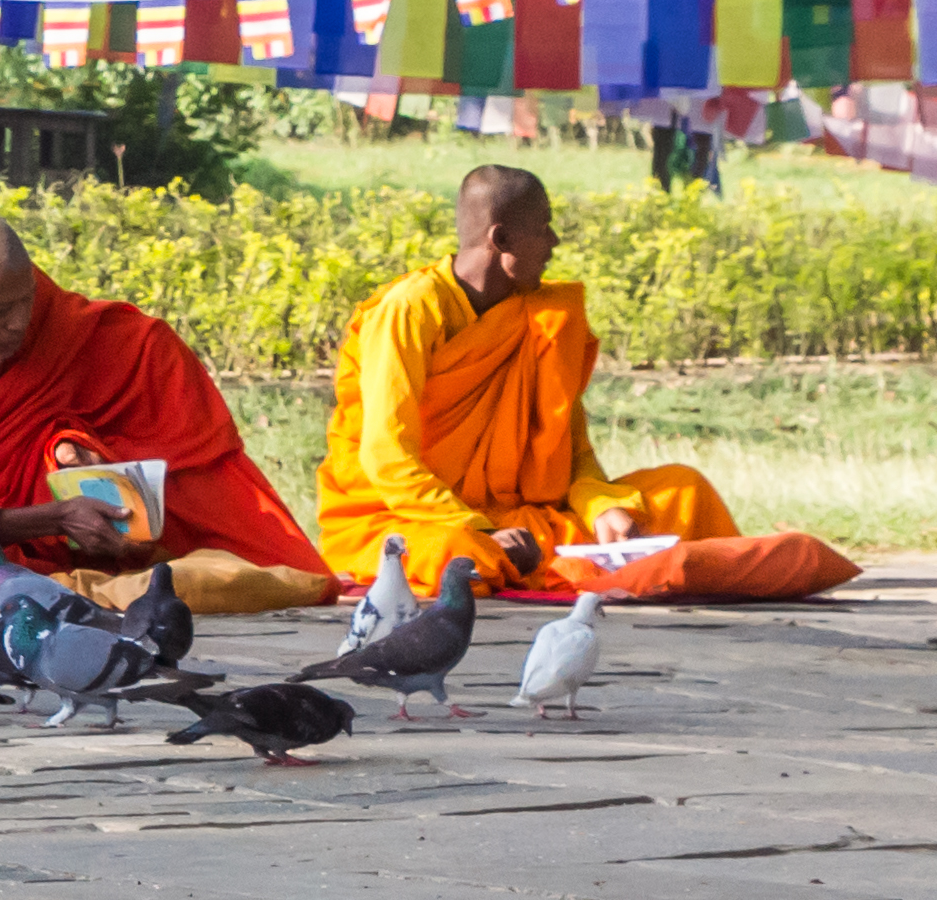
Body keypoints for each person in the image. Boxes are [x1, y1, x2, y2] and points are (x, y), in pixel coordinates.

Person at [0, 207, 330, 609]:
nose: (19, 326)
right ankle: (49, 578)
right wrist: (48, 518)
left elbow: (113, 369)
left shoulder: (37, 314)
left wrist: (67, 452)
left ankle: (77, 568)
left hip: (21, 512)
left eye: (26, 303)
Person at [316, 164, 787, 593]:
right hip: (415, 516)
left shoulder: (546, 319)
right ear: (500, 240)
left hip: (524, 520)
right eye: (542, 228)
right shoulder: (409, 312)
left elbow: (572, 452)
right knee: (459, 556)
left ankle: (583, 559)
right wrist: (477, 526)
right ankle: (572, 563)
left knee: (684, 490)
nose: (555, 242)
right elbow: (386, 455)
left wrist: (603, 507)